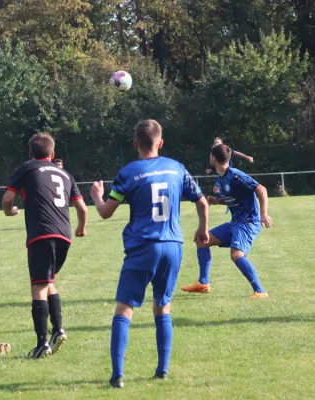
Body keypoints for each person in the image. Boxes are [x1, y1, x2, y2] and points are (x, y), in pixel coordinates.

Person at [89, 119, 209, 388]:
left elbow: (106, 212)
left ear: (135, 144)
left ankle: (118, 374)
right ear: (161, 143)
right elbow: (202, 201)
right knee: (163, 305)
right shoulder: (176, 168)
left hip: (143, 245)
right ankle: (162, 370)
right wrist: (202, 230)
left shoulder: (129, 172)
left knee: (124, 308)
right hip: (172, 245)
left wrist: (96, 195)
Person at [2, 133, 88, 359]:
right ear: (53, 153)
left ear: (31, 153)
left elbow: (7, 200)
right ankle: (57, 329)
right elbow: (82, 208)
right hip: (64, 235)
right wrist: (81, 228)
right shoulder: (65, 173)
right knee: (49, 281)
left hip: (41, 234)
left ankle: (42, 343)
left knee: (38, 286)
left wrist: (10, 212)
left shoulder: (28, 168)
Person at [181, 144, 273, 297]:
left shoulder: (235, 175)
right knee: (202, 240)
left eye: (210, 156)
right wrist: (217, 201)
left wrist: (263, 214)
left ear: (214, 159)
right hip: (235, 222)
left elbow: (261, 189)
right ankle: (203, 283)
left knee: (236, 255)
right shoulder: (222, 178)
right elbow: (234, 198)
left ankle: (260, 291)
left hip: (247, 223)